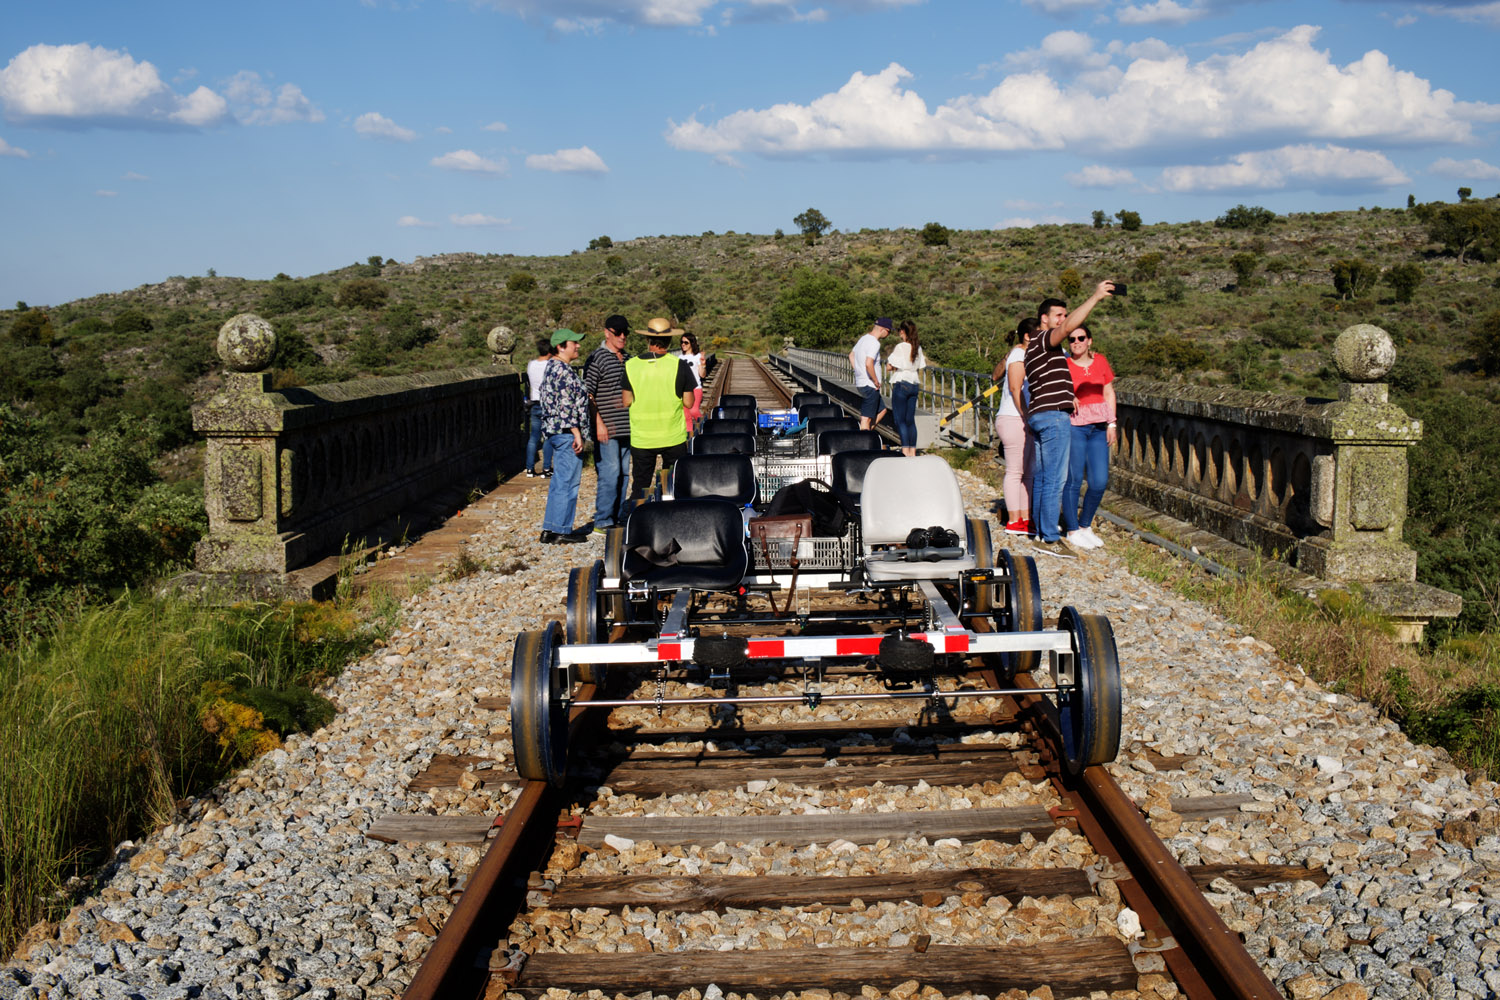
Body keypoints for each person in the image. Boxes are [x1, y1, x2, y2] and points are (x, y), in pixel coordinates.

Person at [1025, 282, 1117, 545]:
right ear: (1044, 319)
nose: (1064, 322)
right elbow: (1065, 329)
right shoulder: (1045, 339)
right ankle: (1052, 538)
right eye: (1059, 315)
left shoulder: (1033, 348)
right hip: (1053, 416)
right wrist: (1096, 296)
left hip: (1039, 414)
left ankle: (1042, 532)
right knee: (1056, 478)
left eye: (1065, 316)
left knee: (1043, 478)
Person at [622, 319, 696, 501]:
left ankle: (638, 522)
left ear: (647, 339)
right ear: (670, 341)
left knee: (641, 485)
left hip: (642, 437)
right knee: (672, 484)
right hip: (672, 436)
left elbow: (626, 401)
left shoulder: (630, 366)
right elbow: (689, 402)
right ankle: (670, 518)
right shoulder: (679, 365)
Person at [1061, 325, 1116, 550]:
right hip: (1075, 425)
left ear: (1089, 341)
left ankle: (1085, 525)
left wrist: (1112, 422)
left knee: (1099, 480)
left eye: (1081, 338)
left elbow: (1108, 391)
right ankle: (1072, 529)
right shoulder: (1064, 365)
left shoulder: (1101, 361)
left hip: (1099, 427)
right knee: (1074, 479)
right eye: (1072, 339)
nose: (1076, 342)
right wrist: (1068, 396)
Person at [537, 329, 591, 544]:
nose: (577, 346)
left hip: (556, 432)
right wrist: (576, 433)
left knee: (559, 482)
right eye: (573, 343)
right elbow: (566, 405)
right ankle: (561, 531)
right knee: (568, 482)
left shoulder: (552, 367)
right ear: (561, 346)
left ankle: (550, 528)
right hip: (567, 433)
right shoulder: (562, 371)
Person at [584, 314, 632, 534]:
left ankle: (617, 516)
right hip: (607, 429)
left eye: (625, 332)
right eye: (618, 332)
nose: (623, 336)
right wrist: (598, 424)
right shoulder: (597, 359)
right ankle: (603, 519)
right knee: (610, 473)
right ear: (607, 333)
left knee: (623, 474)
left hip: (627, 427)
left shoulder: (629, 359)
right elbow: (588, 394)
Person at [992, 317, 1037, 536]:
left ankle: (1024, 517)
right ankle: (1014, 519)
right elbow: (1014, 387)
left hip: (1018, 417)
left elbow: (995, 375)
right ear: (1028, 336)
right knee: (1016, 471)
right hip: (1014, 417)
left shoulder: (1019, 353)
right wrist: (1026, 415)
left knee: (1027, 472)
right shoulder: (1019, 354)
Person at [886, 320, 926, 457]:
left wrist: (894, 366)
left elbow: (889, 366)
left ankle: (905, 451)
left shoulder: (901, 347)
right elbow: (918, 366)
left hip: (902, 383)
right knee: (910, 420)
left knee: (900, 420)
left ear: (902, 331)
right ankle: (912, 452)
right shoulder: (918, 347)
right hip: (914, 383)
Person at [850, 318, 891, 430]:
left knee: (882, 410)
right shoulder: (874, 343)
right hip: (870, 385)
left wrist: (859, 371)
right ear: (883, 329)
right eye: (889, 331)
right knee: (866, 418)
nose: (888, 334)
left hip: (861, 382)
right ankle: (863, 441)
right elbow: (869, 363)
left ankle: (868, 432)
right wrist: (875, 380)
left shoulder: (863, 339)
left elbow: (851, 356)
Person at [524, 337, 555, 478]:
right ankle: (546, 468)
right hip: (547, 403)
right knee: (547, 436)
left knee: (533, 437)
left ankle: (529, 468)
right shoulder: (551, 365)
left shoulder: (531, 365)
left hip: (534, 403)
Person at [678, 330, 706, 432]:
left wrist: (703, 364)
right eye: (682, 342)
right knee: (686, 415)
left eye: (686, 342)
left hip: (695, 388)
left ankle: (705, 425)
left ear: (691, 343)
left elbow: (702, 375)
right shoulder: (679, 358)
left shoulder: (697, 356)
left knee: (694, 411)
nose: (683, 345)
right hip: (684, 390)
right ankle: (689, 437)